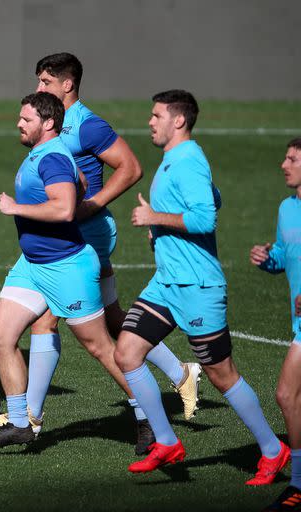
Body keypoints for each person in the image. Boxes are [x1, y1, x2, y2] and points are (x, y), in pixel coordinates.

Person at [114, 90, 288, 485]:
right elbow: (214, 198)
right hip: (166, 283)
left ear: (179, 121)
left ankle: (272, 450)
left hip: (197, 286)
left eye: (156, 115)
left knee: (220, 374)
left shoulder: (188, 160)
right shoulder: (177, 160)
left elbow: (205, 218)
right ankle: (166, 442)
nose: (150, 121)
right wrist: (162, 227)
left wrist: (153, 217)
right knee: (127, 352)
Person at [0, 92, 141, 447]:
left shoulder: (50, 157)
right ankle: (20, 422)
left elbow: (65, 209)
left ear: (48, 123)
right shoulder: (44, 154)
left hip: (66, 267)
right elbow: (79, 181)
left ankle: (145, 412)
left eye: (26, 119)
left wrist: (16, 208)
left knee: (99, 347)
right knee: (2, 338)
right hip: (32, 265)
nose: (19, 124)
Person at [251, 138, 301, 510]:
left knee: (287, 395)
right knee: (288, 396)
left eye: (293, 159)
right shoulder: (287, 208)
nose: (284, 164)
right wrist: (269, 258)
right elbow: (287, 256)